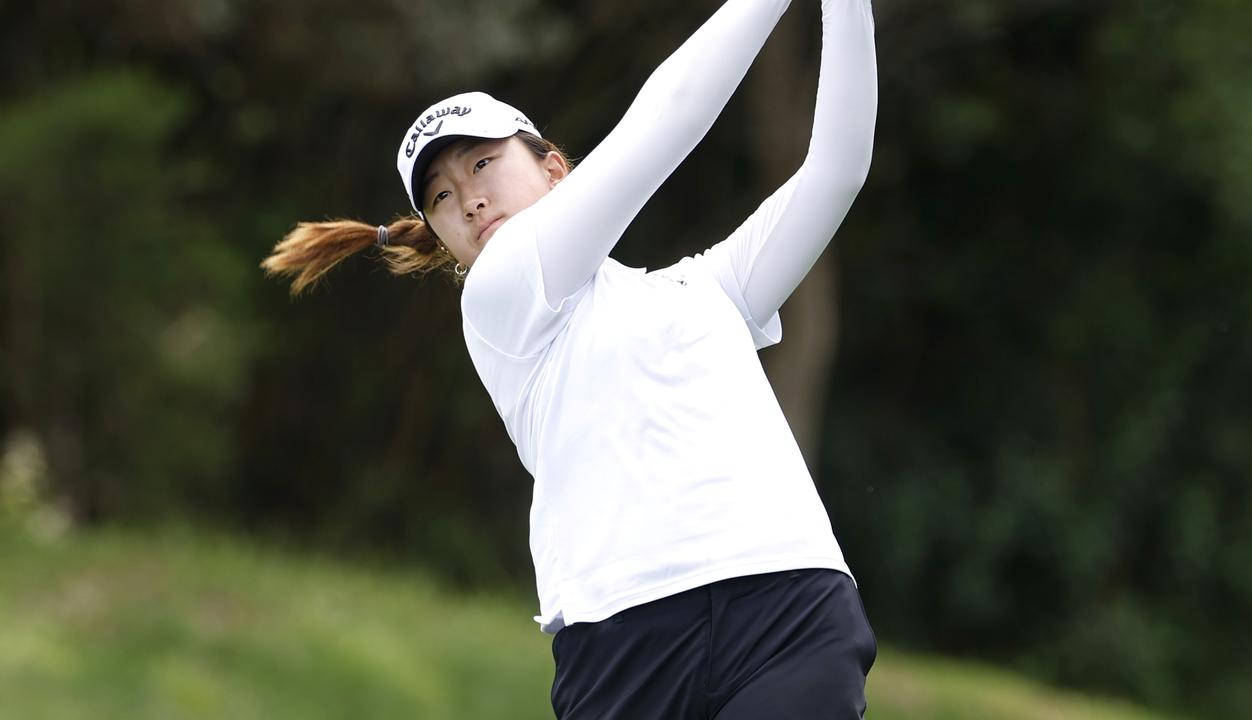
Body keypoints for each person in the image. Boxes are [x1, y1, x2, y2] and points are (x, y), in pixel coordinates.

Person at [262, 0, 878, 716]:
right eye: (440, 197)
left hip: (788, 608)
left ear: (555, 169)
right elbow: (670, 115)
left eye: (484, 162)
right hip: (625, 643)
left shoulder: (711, 289)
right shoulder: (500, 296)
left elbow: (836, 170)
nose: (468, 200)